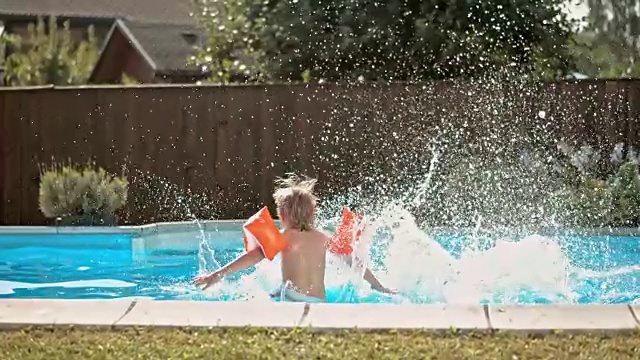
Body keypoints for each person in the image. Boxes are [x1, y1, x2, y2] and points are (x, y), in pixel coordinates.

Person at [193, 173, 395, 303]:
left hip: (292, 298)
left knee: (272, 294)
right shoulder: (323, 238)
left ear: (283, 215)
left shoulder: (285, 236)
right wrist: (378, 285)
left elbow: (254, 257)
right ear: (312, 213)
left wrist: (217, 274)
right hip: (319, 300)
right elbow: (353, 261)